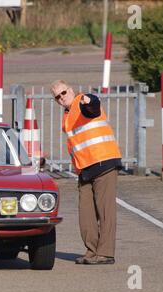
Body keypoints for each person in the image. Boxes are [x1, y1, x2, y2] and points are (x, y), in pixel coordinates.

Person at [51, 80, 122, 265]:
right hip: (85, 169)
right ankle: (92, 251)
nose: (61, 98)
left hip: (104, 161)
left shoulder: (82, 102)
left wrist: (89, 100)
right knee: (86, 213)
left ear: (71, 90)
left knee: (105, 210)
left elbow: (93, 106)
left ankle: (105, 253)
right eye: (57, 97)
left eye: (63, 93)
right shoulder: (67, 115)